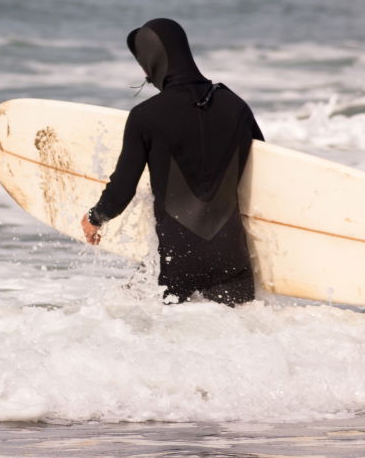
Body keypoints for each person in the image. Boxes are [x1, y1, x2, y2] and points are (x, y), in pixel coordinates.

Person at [80, 18, 264, 306]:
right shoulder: (236, 106)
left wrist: (95, 218)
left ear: (154, 60)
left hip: (176, 260)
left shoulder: (146, 116)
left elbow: (122, 188)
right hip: (231, 259)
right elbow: (265, 172)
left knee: (149, 332)